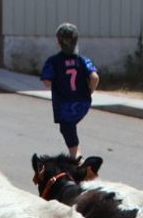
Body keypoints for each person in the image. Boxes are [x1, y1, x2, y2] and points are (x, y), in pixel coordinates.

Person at [39, 22, 99, 158]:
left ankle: (77, 160)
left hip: (64, 106)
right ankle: (76, 155)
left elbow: (47, 82)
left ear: (59, 42)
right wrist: (90, 91)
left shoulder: (54, 61)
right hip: (83, 103)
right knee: (70, 128)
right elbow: (94, 77)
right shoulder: (83, 60)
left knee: (67, 129)